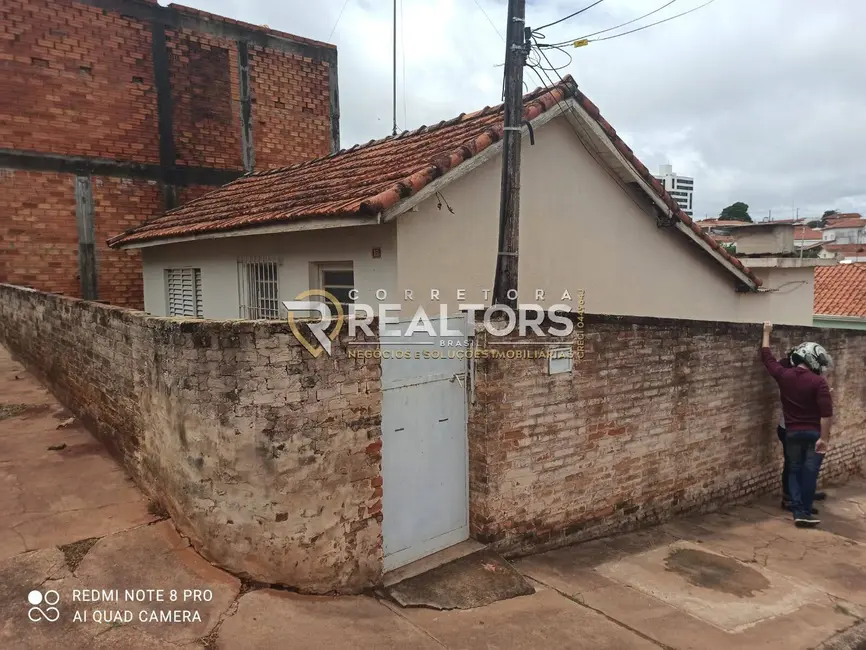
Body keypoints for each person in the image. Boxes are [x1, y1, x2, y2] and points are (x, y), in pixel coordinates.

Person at [761, 323, 833, 527]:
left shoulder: (785, 375)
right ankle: (805, 509)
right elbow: (826, 414)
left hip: (792, 432)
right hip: (813, 433)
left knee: (793, 469)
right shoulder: (819, 382)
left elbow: (767, 359)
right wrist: (824, 438)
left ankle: (798, 510)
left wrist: (766, 334)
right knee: (809, 472)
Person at [777, 351, 827, 511]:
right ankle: (791, 499)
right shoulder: (790, 375)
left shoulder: (803, 377)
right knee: (794, 466)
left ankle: (801, 497)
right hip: (790, 428)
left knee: (801, 466)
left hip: (796, 428)